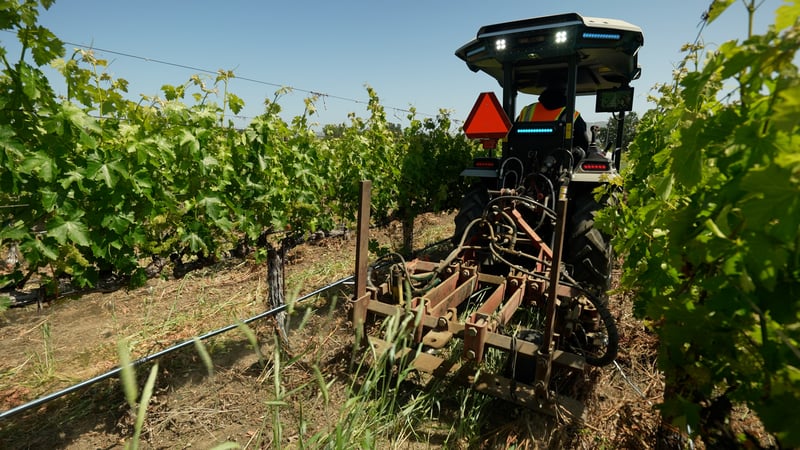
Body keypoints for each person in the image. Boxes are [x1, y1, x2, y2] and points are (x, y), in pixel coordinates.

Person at [517, 85, 591, 150]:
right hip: (559, 164)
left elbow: (512, 136)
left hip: (522, 163)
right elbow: (583, 146)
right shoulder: (572, 115)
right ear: (566, 93)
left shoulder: (527, 110)